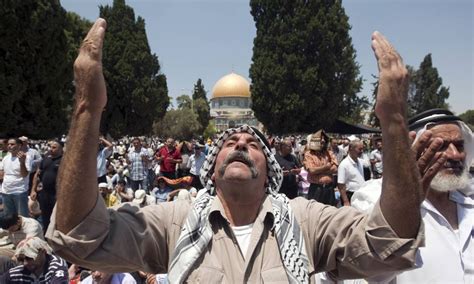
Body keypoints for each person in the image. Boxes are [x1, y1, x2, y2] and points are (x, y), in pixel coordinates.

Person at [46, 20, 435, 282]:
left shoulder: (304, 221)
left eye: (253, 144)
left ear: (270, 172)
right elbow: (80, 235)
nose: (241, 144)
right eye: (230, 142)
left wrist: (394, 120)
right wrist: (86, 108)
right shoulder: (176, 222)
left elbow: (388, 246)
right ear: (212, 168)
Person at [351, 109, 473, 283]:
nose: (454, 155)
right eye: (440, 146)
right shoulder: (374, 201)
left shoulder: (469, 202)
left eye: (459, 145)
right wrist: (404, 202)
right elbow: (366, 272)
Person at [0, 237, 69, 282]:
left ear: (43, 252)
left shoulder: (56, 267)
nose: (25, 263)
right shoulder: (22, 269)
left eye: (29, 258)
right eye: (21, 259)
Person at [30, 140, 63, 234]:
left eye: (54, 147)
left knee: (57, 217)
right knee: (45, 216)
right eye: (50, 147)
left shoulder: (64, 160)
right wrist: (33, 190)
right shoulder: (45, 159)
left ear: (61, 149)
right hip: (44, 193)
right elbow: (37, 175)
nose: (51, 149)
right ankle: (46, 236)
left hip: (57, 194)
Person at [303, 130, 338, 205]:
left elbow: (335, 169)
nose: (323, 141)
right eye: (320, 139)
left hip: (329, 189)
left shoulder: (329, 153)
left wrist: (319, 170)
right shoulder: (309, 154)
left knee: (330, 212)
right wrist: (326, 167)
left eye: (324, 139)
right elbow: (312, 170)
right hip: (316, 189)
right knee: (315, 212)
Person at [0, 138, 31, 217]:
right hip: (6, 191)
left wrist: (22, 162)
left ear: (19, 145)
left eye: (12, 144)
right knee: (8, 217)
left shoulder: (26, 157)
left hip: (19, 192)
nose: (9, 146)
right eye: (8, 144)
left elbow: (24, 174)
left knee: (22, 217)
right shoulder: (6, 158)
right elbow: (2, 173)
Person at [337, 140, 365, 206]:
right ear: (351, 149)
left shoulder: (360, 162)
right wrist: (346, 201)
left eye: (362, 149)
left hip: (360, 194)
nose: (362, 151)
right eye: (359, 149)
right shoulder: (344, 164)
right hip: (350, 195)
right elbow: (341, 185)